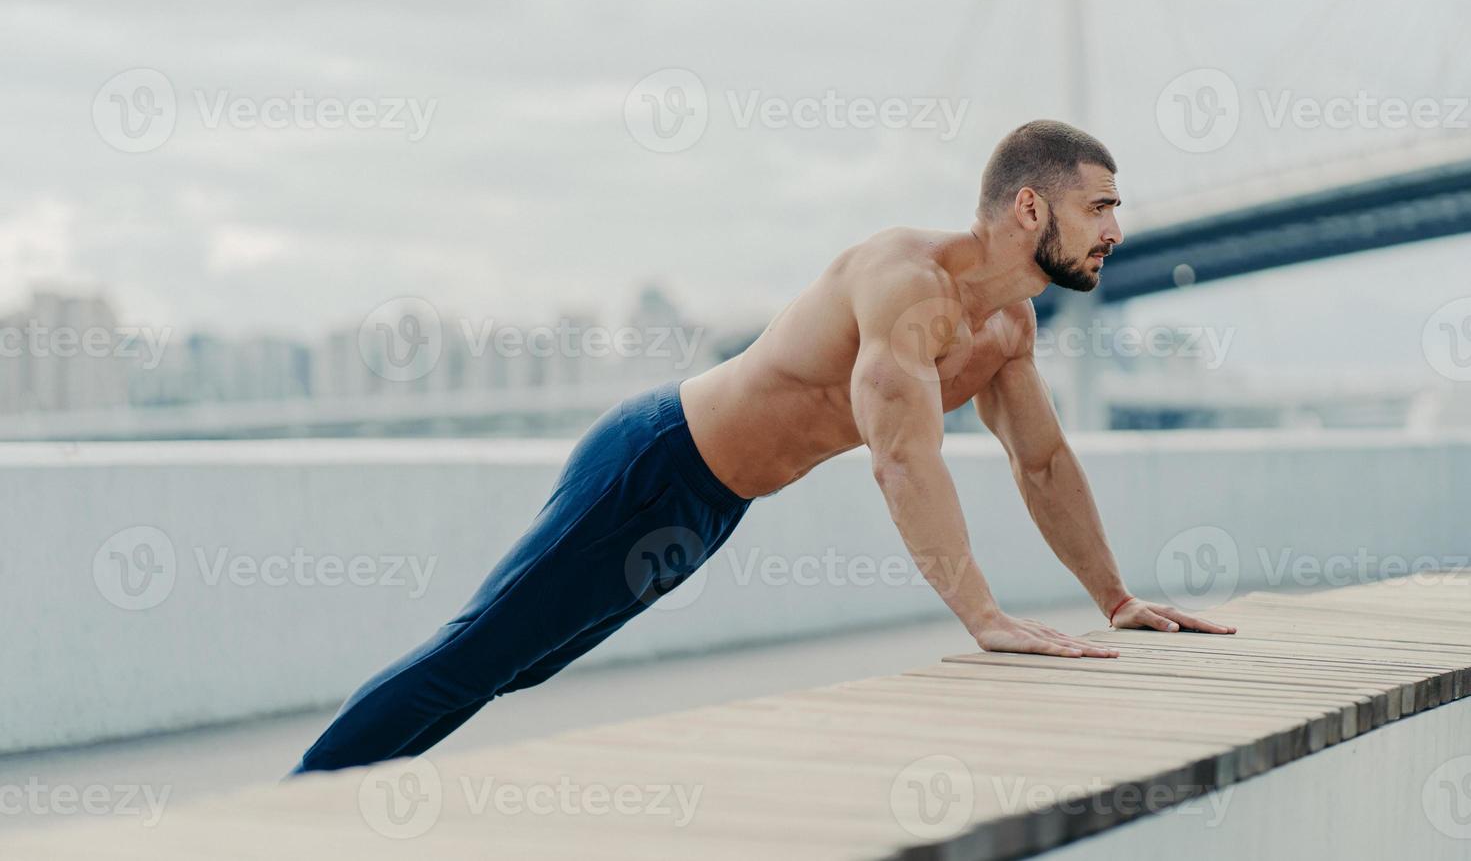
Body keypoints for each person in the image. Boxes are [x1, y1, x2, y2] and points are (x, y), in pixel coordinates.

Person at [288, 119, 1235, 776]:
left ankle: (332, 801)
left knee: (517, 666)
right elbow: (901, 459)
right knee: (477, 655)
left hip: (713, 503)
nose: (1115, 230)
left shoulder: (1005, 330)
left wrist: (1111, 599)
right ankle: (289, 814)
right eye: (1100, 207)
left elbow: (1043, 464)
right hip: (652, 464)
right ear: (1031, 209)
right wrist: (982, 614)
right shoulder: (907, 284)